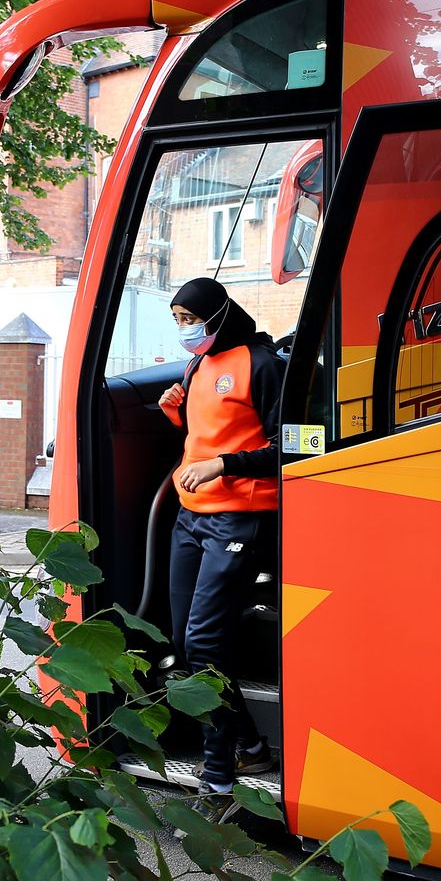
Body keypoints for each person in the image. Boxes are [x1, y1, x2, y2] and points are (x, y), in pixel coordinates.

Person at [157, 277, 282, 800]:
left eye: (192, 319)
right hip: (191, 518)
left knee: (205, 642)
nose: (187, 331)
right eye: (179, 321)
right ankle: (248, 746)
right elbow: (208, 432)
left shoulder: (263, 363)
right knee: (188, 643)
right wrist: (175, 411)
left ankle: (218, 773)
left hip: (240, 518)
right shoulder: (197, 365)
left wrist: (223, 465)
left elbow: (293, 446)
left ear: (220, 314)